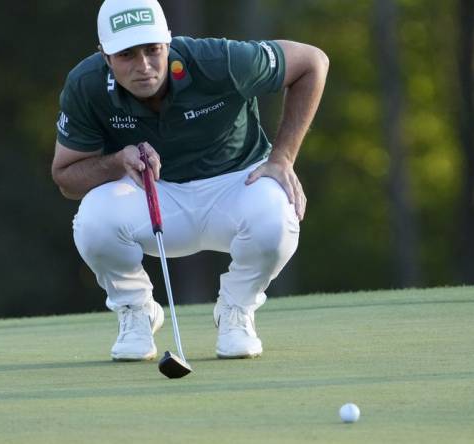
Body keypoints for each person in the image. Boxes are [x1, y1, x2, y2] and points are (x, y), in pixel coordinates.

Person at [51, 0, 328, 361]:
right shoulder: (85, 85)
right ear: (105, 56)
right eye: (127, 56)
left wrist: (283, 158)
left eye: (153, 50)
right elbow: (66, 177)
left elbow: (312, 62)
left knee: (277, 214)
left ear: (168, 43)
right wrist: (118, 161)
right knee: (93, 221)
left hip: (236, 186)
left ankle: (236, 310)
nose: (145, 67)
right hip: (154, 197)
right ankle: (136, 311)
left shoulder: (219, 61)